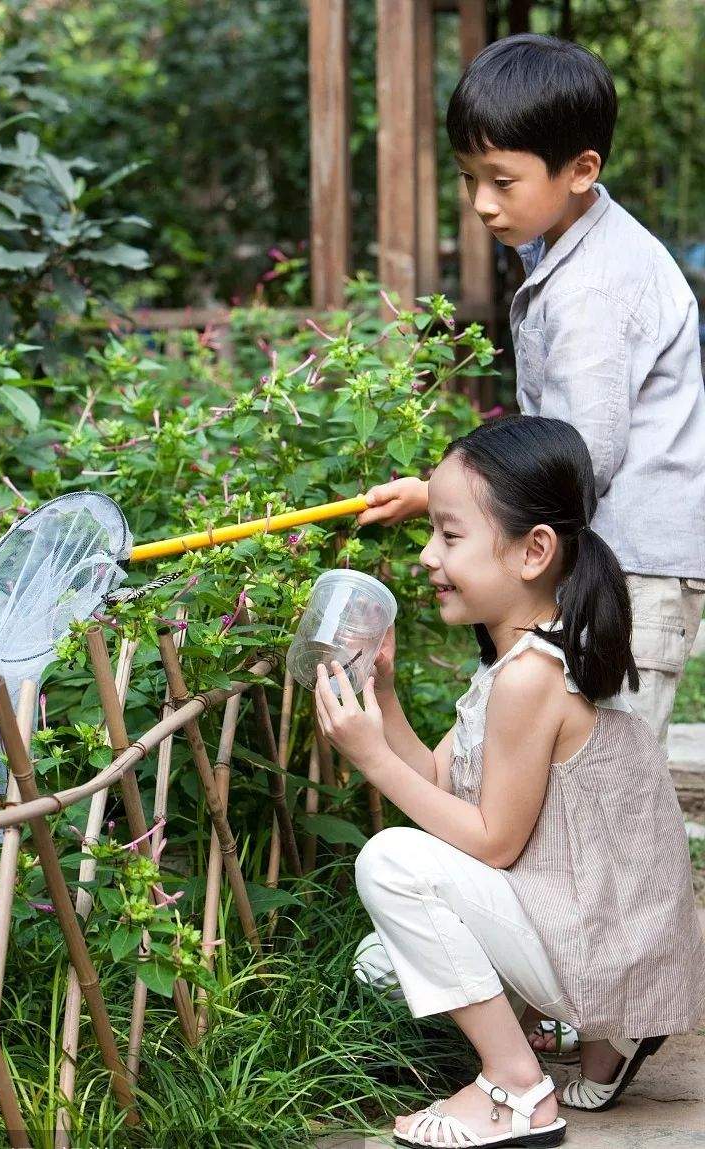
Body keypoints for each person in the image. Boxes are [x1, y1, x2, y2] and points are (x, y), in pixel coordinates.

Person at [314, 416, 704, 1148]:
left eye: (449, 536)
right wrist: (385, 691)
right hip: (602, 932)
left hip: (591, 943)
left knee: (390, 863)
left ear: (534, 552)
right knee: (380, 964)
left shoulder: (530, 678)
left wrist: (372, 759)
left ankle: (516, 1085)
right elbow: (437, 776)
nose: (429, 556)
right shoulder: (532, 655)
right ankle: (603, 1039)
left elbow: (492, 842)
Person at [360, 32, 705, 756]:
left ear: (581, 170)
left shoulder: (593, 290)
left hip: (632, 569)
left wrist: (447, 497)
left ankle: (615, 874)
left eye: (502, 180)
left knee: (605, 769)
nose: (482, 204)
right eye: (468, 178)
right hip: (609, 554)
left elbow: (582, 454)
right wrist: (436, 494)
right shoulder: (570, 247)